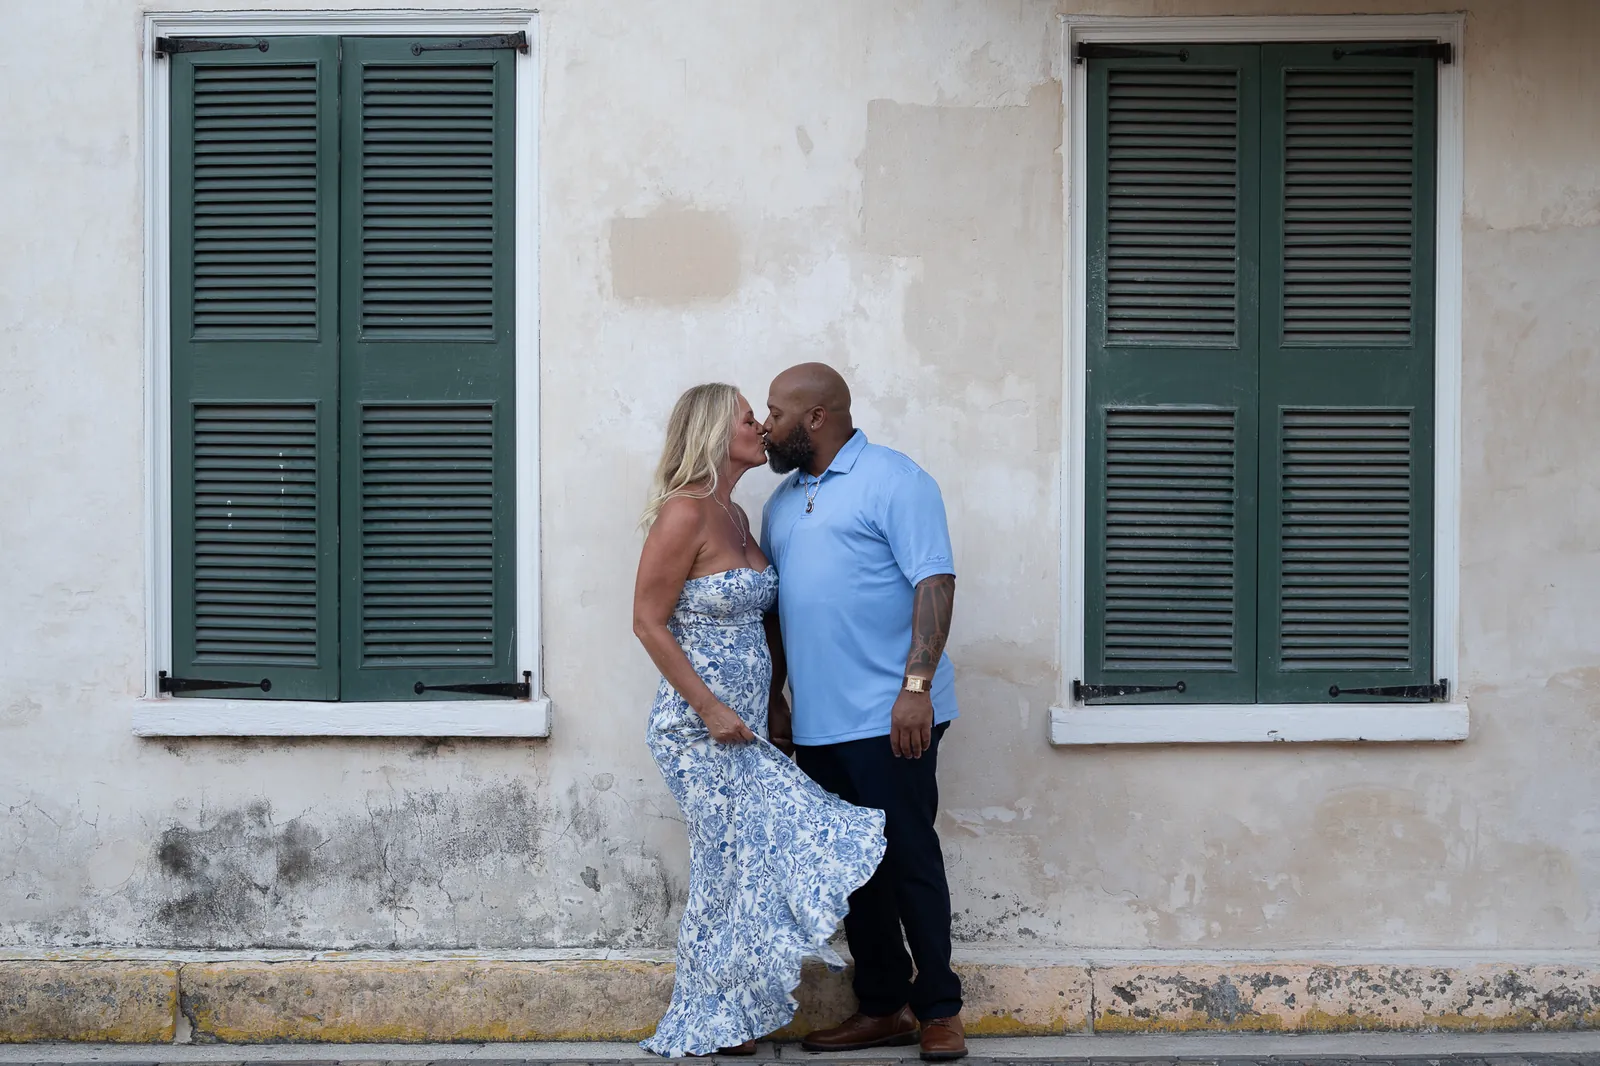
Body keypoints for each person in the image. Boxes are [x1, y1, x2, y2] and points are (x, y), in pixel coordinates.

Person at [632, 382, 888, 1059]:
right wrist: (710, 707)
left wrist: (772, 705)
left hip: (745, 725)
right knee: (724, 867)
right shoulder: (684, 513)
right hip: (698, 729)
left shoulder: (738, 514)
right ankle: (705, 1016)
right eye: (750, 418)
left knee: (748, 870)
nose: (761, 427)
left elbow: (762, 625)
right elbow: (648, 623)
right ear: (717, 432)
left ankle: (733, 1014)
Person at [760, 364, 967, 1062]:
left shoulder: (894, 479)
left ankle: (939, 1008)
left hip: (892, 717)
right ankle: (882, 1006)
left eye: (775, 412)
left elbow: (934, 582)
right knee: (854, 875)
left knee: (909, 861)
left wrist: (917, 687)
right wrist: (776, 699)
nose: (765, 425)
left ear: (816, 417)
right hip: (818, 723)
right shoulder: (783, 501)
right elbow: (783, 614)